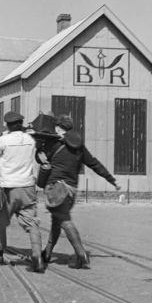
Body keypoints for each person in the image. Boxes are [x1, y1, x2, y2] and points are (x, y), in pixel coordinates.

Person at [37, 115, 119, 269]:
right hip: (71, 191)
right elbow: (94, 163)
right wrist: (112, 179)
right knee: (57, 220)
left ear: (58, 127)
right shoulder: (79, 146)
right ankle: (47, 253)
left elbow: (41, 159)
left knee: (64, 221)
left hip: (55, 189)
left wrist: (40, 151)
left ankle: (81, 255)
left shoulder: (53, 143)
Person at [0, 111, 44, 272]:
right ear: (21, 124)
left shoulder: (3, 140)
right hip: (28, 187)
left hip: (9, 188)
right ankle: (37, 258)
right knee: (31, 223)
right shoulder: (30, 140)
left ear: (8, 125)